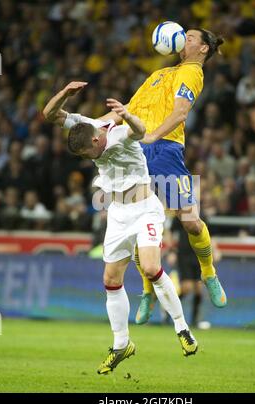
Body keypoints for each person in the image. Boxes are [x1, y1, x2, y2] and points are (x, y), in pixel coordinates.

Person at [43, 81, 198, 375]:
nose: (90, 159)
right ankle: (121, 345)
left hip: (145, 209)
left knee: (152, 268)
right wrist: (63, 93)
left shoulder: (119, 134)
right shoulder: (89, 126)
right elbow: (50, 115)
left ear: (96, 140)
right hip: (117, 213)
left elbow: (141, 132)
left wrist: (127, 114)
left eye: (89, 153)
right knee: (111, 279)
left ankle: (182, 328)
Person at [99, 29, 228, 324]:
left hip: (165, 151)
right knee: (136, 223)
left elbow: (181, 113)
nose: (185, 37)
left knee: (191, 220)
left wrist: (152, 135)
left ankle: (209, 273)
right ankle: (147, 292)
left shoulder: (192, 72)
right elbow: (125, 112)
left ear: (204, 49)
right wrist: (90, 125)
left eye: (192, 36)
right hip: (136, 152)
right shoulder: (158, 74)